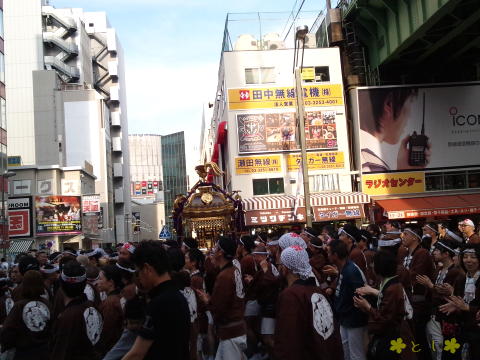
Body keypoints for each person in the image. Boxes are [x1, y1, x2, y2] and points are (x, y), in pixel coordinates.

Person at [122, 240, 190, 360]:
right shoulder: (179, 296)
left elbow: (136, 354)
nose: (138, 278)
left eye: (138, 271)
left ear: (147, 268)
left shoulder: (159, 303)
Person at [274, 245, 342, 360]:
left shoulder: (291, 295)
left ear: (287, 268)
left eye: (281, 264)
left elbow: (288, 339)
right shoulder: (317, 291)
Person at [354, 250, 415, 360]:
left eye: (374, 264)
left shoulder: (393, 288)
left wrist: (367, 307)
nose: (372, 266)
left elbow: (385, 318)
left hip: (393, 337)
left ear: (380, 268)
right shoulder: (389, 283)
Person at [196, 236, 247, 360]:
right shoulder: (233, 270)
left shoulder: (224, 276)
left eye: (215, 248)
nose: (212, 251)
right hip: (237, 328)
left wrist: (208, 301)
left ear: (220, 252)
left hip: (231, 332)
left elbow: (219, 309)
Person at [359, 87, 430, 171]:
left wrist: (402, 169)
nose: (410, 115)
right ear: (389, 104)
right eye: (410, 101)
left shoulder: (366, 159)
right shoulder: (372, 166)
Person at [416, 239, 464, 360]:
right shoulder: (438, 270)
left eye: (437, 250)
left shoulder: (455, 272)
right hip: (434, 314)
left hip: (447, 317)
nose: (434, 253)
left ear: (446, 254)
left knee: (442, 347)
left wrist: (430, 286)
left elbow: (449, 294)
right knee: (434, 345)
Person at [49, 261, 103, 360]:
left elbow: (61, 353)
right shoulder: (94, 308)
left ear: (61, 284)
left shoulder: (67, 317)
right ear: (84, 284)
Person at [324, 240, 368, 360]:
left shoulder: (351, 270)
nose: (327, 255)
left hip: (354, 319)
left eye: (329, 253)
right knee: (346, 352)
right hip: (345, 318)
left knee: (356, 355)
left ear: (336, 255)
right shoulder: (344, 268)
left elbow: (361, 294)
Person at [439, 243, 480, 360]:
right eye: (465, 256)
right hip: (463, 331)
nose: (468, 260)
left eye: (473, 257)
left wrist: (467, 308)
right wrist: (455, 306)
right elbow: (458, 301)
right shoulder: (462, 279)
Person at [400, 225, 434, 360]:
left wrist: (402, 275)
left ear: (415, 237)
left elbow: (415, 276)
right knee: (413, 336)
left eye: (406, 234)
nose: (403, 236)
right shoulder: (406, 253)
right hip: (409, 300)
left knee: (419, 337)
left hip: (419, 301)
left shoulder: (422, 253)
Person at [1, 270, 51, 360]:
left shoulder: (19, 306)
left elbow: (8, 330)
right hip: (45, 352)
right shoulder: (47, 304)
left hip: (24, 353)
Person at [96, 264, 125, 357]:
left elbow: (107, 331)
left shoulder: (110, 303)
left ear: (111, 282)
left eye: (100, 279)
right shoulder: (118, 297)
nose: (97, 282)